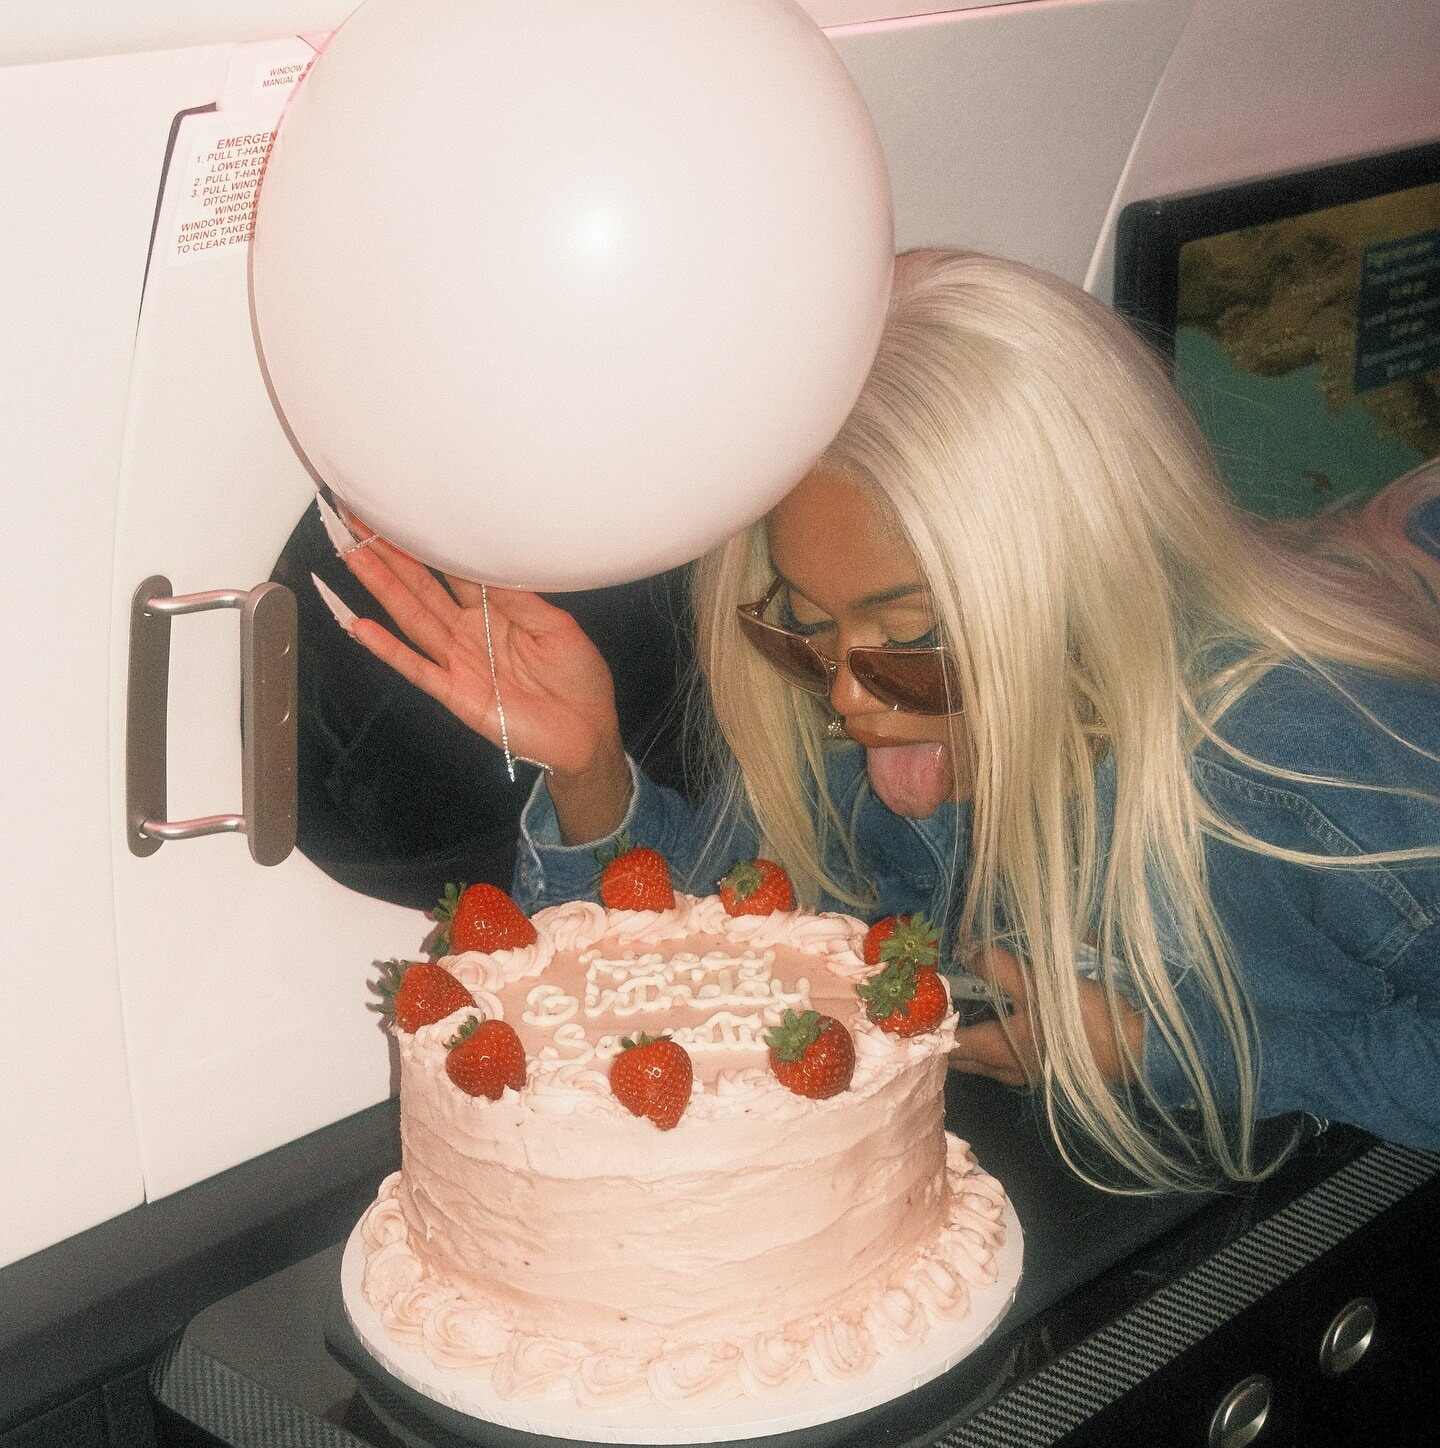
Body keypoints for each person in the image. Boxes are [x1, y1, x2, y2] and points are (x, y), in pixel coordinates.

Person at [335, 249, 1440, 1190]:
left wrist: (1160, 1049)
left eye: (910, 635)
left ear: (1074, 589)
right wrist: (591, 769)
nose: (847, 698)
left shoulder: (1306, 759)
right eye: (807, 626)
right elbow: (725, 945)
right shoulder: (876, 743)